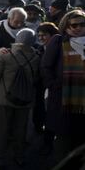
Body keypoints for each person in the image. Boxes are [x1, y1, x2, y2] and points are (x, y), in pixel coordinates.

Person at [0, 28, 40, 168]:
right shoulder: (36, 57)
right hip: (25, 100)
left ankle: (0, 157)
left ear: (17, 39)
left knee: (2, 129)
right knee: (20, 129)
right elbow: (36, 79)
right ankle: (19, 156)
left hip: (4, 99)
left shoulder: (5, 56)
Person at [41, 9, 85, 161]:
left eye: (82, 24)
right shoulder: (58, 41)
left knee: (78, 133)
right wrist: (53, 85)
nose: (79, 28)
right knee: (59, 131)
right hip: (61, 94)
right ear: (66, 26)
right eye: (74, 25)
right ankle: (48, 147)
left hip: (82, 97)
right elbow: (46, 66)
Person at [35, 22, 60, 155]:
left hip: (56, 86)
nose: (41, 38)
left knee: (53, 112)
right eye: (39, 36)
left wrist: (52, 83)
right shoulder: (39, 49)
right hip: (44, 84)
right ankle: (43, 135)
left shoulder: (61, 48)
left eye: (44, 35)